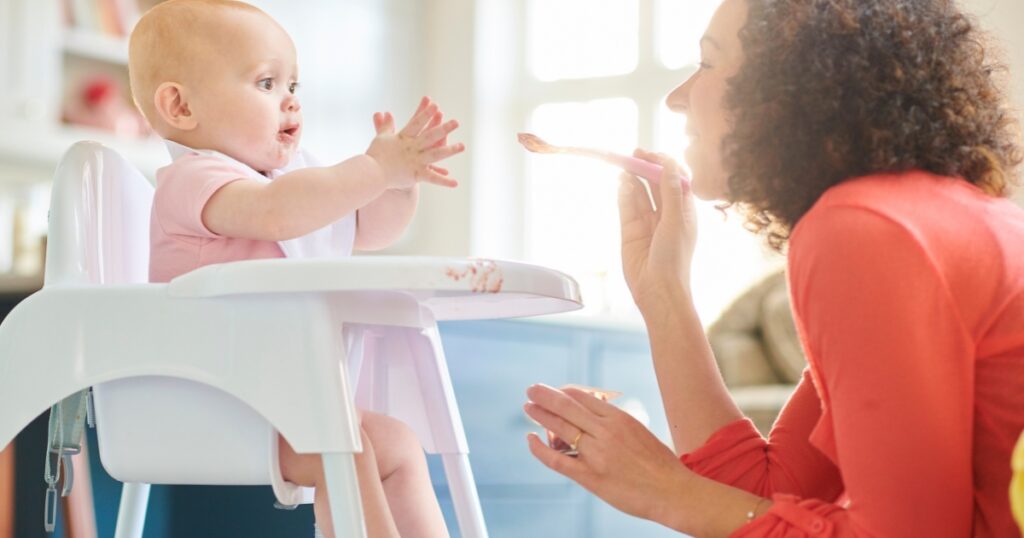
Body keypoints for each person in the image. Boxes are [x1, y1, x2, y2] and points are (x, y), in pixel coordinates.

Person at [523, 0, 1024, 536]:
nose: (676, 99)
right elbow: (768, 493)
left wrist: (664, 490)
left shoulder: (863, 230)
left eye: (709, 63)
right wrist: (662, 290)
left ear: (792, 90)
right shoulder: (920, 215)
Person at [128, 1, 462, 536]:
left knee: (396, 443)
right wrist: (371, 169)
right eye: (266, 83)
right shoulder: (194, 180)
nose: (290, 101)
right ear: (180, 106)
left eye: (294, 85)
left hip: (278, 400)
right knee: (346, 451)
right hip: (207, 403)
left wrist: (397, 182)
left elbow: (369, 230)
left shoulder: (290, 182)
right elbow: (279, 213)